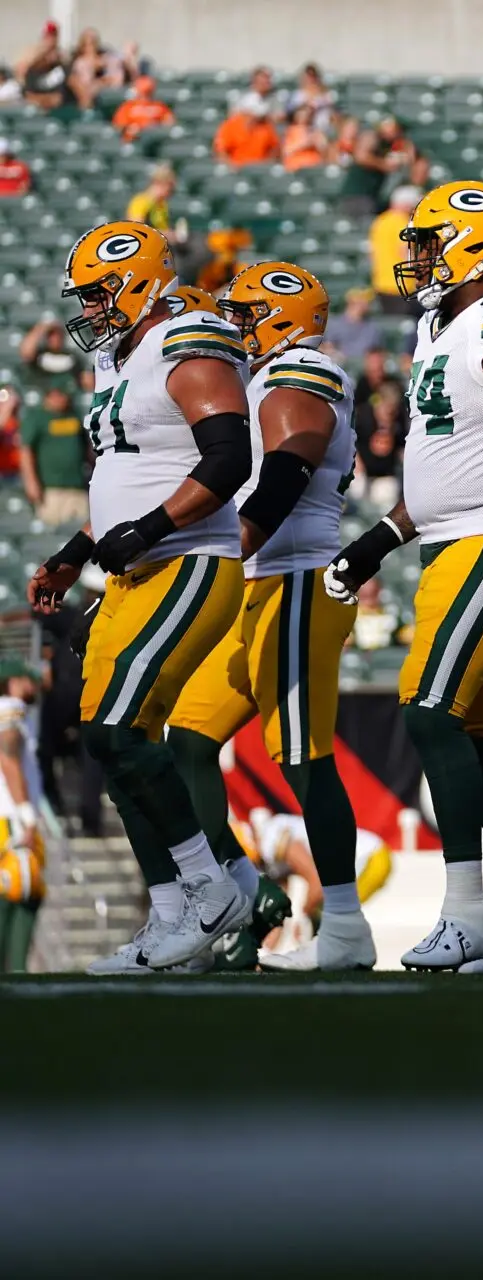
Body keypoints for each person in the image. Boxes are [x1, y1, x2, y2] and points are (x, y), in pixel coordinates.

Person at [321, 181, 483, 973]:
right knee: (482, 735)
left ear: (476, 245)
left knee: (429, 710)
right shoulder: (448, 327)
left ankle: (467, 910)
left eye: (430, 241)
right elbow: (444, 475)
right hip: (452, 541)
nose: (417, 258)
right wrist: (376, 542)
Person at [28, 223, 255, 973]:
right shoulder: (116, 360)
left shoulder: (188, 342)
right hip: (133, 569)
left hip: (189, 560)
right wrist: (75, 554)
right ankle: (168, 917)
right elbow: (123, 476)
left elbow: (229, 458)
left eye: (98, 290)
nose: (91, 308)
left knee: (123, 731)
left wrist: (153, 526)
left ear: (141, 280)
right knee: (108, 741)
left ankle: (211, 884)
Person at [151, 263, 369, 971]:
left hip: (297, 580)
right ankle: (239, 897)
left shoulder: (300, 373)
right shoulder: (264, 377)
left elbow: (287, 467)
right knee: (184, 739)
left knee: (305, 759)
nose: (233, 327)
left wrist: (231, 544)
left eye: (244, 315)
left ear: (280, 320)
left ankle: (342, 925)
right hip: (258, 586)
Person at [0, 668, 46, 972]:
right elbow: (9, 759)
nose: (34, 684)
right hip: (11, 818)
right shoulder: (10, 709)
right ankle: (15, 973)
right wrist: (27, 817)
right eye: (27, 679)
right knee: (21, 890)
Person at [18, 384, 88, 526]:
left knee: (84, 538)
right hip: (51, 489)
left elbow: (87, 448)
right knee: (52, 533)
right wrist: (31, 482)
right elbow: (25, 451)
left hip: (78, 487)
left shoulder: (75, 415)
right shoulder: (37, 418)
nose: (60, 399)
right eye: (56, 395)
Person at [340, 116, 413, 218]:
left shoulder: (390, 145)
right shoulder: (374, 137)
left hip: (372, 196)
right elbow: (361, 157)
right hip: (358, 196)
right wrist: (384, 165)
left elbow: (410, 157)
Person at [367, 185, 421, 317]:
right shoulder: (401, 222)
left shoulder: (380, 221)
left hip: (381, 284)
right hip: (402, 286)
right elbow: (405, 253)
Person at [213, 98, 280, 168]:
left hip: (259, 168)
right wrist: (231, 166)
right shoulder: (230, 125)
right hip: (236, 168)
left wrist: (266, 164)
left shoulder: (265, 126)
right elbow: (220, 152)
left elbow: (275, 149)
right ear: (246, 112)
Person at [111, 77, 174, 143]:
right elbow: (118, 126)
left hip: (154, 140)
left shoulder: (159, 106)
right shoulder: (128, 106)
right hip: (133, 141)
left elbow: (169, 124)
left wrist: (154, 127)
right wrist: (130, 128)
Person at [124, 164, 174, 231]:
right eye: (169, 190)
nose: (170, 194)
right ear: (158, 183)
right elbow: (136, 229)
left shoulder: (162, 204)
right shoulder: (140, 201)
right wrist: (169, 235)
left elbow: (164, 228)